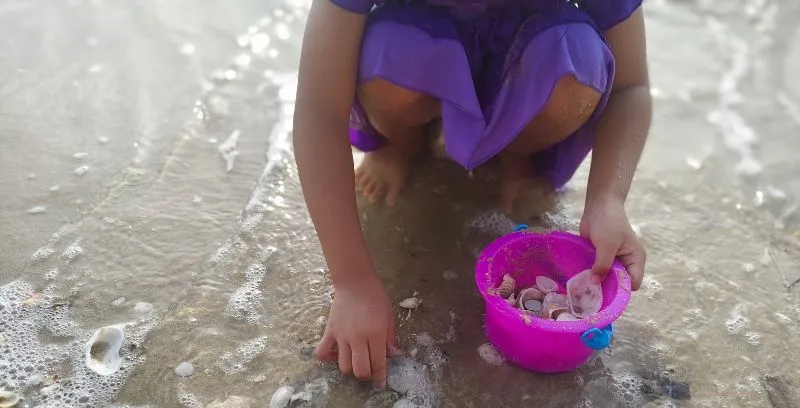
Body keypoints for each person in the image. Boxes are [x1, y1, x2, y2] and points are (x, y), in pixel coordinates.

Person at [293, 0, 650, 388]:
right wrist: (352, 282)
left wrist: (606, 199)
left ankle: (519, 152)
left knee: (574, 50)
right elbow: (318, 105)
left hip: (528, 63)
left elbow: (631, 86)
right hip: (414, 62)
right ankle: (401, 141)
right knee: (395, 48)